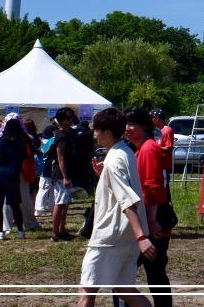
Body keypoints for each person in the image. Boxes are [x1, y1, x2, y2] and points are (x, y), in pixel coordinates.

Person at [77, 108, 156, 307]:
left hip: (111, 236)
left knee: (86, 289)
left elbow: (127, 200)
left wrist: (142, 238)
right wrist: (103, 176)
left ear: (108, 133)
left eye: (97, 130)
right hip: (125, 236)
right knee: (123, 288)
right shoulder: (125, 151)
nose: (94, 134)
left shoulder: (114, 160)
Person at [122, 108, 173, 307]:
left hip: (153, 219)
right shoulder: (140, 148)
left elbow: (153, 187)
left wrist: (151, 221)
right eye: (125, 124)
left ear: (144, 126)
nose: (126, 129)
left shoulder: (148, 149)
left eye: (131, 124)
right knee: (153, 272)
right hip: (146, 218)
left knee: (151, 273)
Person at [0, 115, 29, 240]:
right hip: (13, 177)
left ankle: (0, 232)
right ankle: (21, 231)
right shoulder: (20, 144)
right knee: (15, 204)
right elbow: (25, 159)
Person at [51, 107, 78, 242]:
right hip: (61, 173)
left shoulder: (70, 133)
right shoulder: (61, 135)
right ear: (61, 120)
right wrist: (65, 176)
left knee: (65, 202)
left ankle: (62, 229)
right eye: (68, 118)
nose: (71, 119)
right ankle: (55, 233)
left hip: (69, 171)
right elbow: (60, 157)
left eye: (71, 117)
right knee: (60, 202)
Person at [150, 109, 174, 178]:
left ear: (157, 118)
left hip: (164, 166)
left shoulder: (167, 130)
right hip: (157, 165)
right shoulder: (157, 131)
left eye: (152, 118)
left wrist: (153, 148)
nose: (151, 121)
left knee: (164, 187)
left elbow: (169, 149)